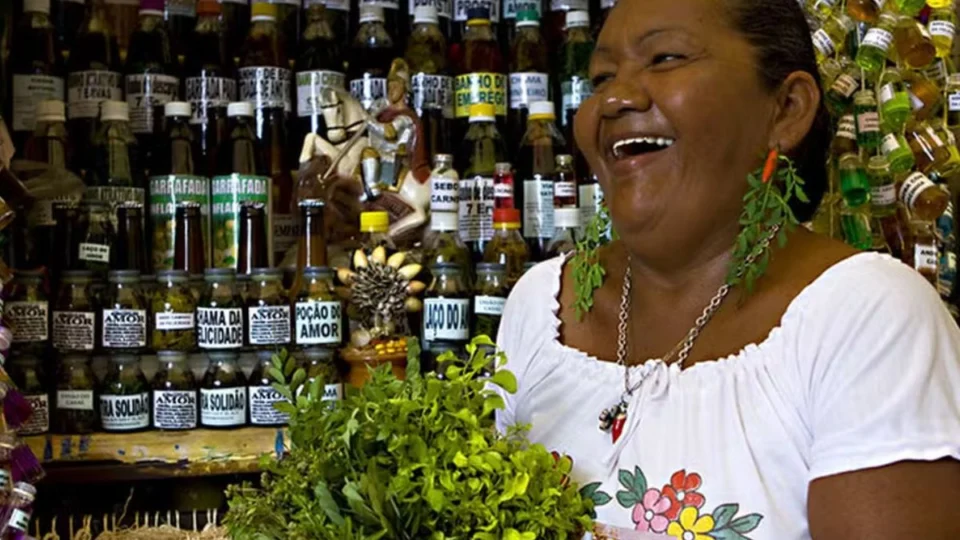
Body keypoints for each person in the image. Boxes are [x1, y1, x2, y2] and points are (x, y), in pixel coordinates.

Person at [495, 0, 960, 538]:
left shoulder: (868, 319)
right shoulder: (539, 305)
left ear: (786, 108)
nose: (616, 96)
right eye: (601, 76)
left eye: (664, 58)